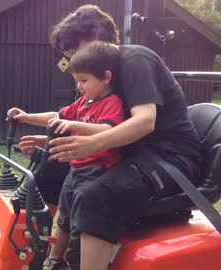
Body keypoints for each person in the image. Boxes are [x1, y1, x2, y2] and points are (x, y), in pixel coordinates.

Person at [16, 4, 202, 270]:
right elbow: (83, 118)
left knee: (96, 197)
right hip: (132, 152)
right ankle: (49, 259)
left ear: (94, 40)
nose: (72, 61)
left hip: (170, 159)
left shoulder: (136, 60)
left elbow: (145, 121)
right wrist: (50, 140)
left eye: (73, 52)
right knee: (53, 169)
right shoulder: (100, 79)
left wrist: (91, 143)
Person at [9, 41, 125, 270]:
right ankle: (53, 259)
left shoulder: (112, 103)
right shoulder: (84, 102)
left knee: (80, 221)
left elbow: (108, 130)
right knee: (63, 216)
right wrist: (26, 117)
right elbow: (57, 116)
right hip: (77, 168)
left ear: (106, 77)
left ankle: (76, 263)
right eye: (76, 80)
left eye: (84, 81)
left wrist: (72, 124)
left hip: (97, 171)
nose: (79, 86)